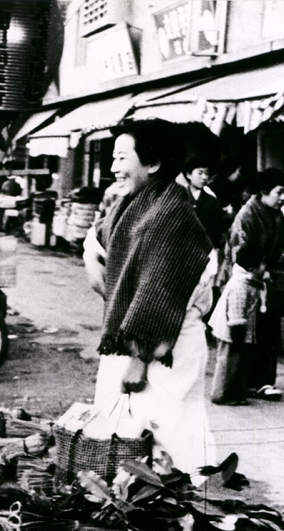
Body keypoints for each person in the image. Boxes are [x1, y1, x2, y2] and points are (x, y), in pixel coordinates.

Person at [83, 119, 213, 473]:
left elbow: (160, 291)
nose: (113, 168)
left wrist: (138, 360)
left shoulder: (170, 214)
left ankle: (181, 515)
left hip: (159, 347)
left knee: (167, 437)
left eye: (121, 158)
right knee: (126, 439)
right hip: (131, 339)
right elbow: (93, 251)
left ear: (153, 163)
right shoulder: (128, 207)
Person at [226, 168, 284, 400]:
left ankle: (263, 381)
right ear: (264, 192)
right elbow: (239, 253)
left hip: (266, 278)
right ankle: (250, 381)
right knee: (249, 332)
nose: (283, 198)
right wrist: (261, 271)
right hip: (248, 280)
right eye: (279, 192)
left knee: (268, 331)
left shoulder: (275, 213)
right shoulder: (247, 215)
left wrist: (282, 256)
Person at [209, 243, 267, 406]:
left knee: (238, 363)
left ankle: (235, 392)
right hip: (232, 332)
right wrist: (238, 335)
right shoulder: (240, 286)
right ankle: (220, 394)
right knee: (228, 363)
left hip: (239, 332)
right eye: (262, 264)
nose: (264, 267)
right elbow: (236, 311)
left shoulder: (250, 281)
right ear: (251, 268)